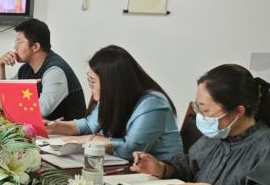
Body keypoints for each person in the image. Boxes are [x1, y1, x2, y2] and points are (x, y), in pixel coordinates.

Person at [131, 64, 270, 185]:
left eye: (205, 110)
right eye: (197, 107)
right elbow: (189, 166)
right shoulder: (218, 135)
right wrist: (161, 168)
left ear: (238, 112)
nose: (200, 116)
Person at [46, 45, 181, 161]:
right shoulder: (116, 98)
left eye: (92, 81)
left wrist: (93, 139)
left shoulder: (153, 104)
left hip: (162, 175)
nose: (90, 86)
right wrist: (53, 126)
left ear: (111, 83)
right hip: (127, 168)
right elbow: (89, 125)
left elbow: (130, 150)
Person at [0, 18, 86, 120]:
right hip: (42, 127)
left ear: (35, 47)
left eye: (19, 42)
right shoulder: (26, 69)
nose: (15, 47)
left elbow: (41, 111)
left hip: (66, 129)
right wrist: (0, 66)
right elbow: (1, 97)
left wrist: (2, 104)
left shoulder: (55, 71)